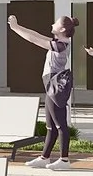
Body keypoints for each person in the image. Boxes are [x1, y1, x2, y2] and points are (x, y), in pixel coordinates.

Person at [10, 12, 78, 167]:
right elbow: (36, 35)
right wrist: (17, 26)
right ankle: (44, 157)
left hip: (55, 87)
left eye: (56, 23)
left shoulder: (61, 46)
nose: (52, 24)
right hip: (50, 86)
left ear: (62, 30)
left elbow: (34, 40)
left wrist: (15, 28)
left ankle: (64, 160)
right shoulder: (58, 42)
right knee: (51, 126)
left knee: (60, 125)